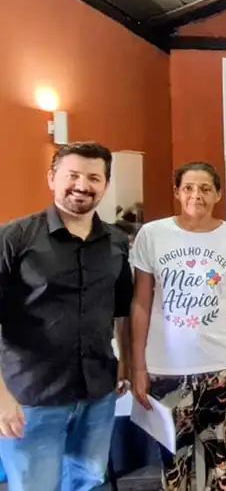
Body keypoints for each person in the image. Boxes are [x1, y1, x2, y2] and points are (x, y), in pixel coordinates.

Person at [0, 142, 133, 491]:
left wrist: (125, 364)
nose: (82, 185)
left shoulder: (118, 243)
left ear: (105, 185)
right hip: (31, 398)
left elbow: (121, 312)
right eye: (72, 175)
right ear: (52, 178)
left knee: (86, 484)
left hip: (97, 397)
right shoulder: (14, 238)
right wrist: (0, 397)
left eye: (94, 177)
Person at [130, 162, 226, 491]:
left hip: (219, 365)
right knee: (173, 459)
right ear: (177, 192)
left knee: (220, 459)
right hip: (166, 368)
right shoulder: (152, 235)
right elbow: (140, 303)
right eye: (188, 188)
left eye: (204, 189)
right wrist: (138, 365)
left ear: (217, 193)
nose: (196, 195)